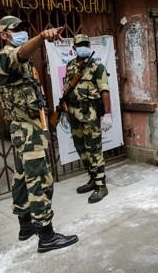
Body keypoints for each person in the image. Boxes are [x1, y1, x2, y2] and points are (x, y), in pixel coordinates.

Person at [0, 15, 78, 252]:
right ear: (4, 35)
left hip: (29, 126)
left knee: (22, 176)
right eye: (15, 29)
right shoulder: (4, 58)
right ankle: (47, 235)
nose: (21, 31)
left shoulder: (25, 62)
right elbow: (19, 53)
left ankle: (25, 225)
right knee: (39, 179)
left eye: (23, 28)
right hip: (26, 128)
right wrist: (41, 37)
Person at [64, 34, 111, 203]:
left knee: (94, 150)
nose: (83, 46)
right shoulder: (70, 66)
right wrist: (63, 108)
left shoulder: (97, 66)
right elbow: (67, 89)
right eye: (80, 44)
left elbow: (105, 91)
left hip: (90, 114)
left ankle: (101, 186)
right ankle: (92, 179)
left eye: (86, 43)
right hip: (73, 114)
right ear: (74, 47)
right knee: (81, 150)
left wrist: (108, 114)